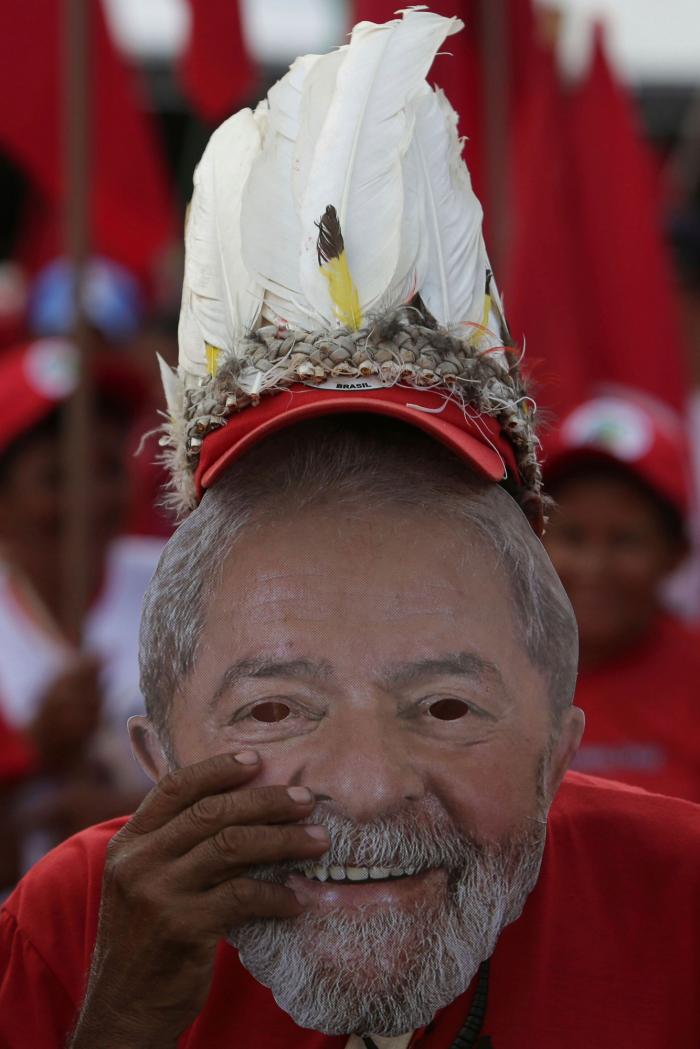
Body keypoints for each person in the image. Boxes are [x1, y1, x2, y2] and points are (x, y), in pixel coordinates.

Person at [1, 11, 699, 1048]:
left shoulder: (680, 900)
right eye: (276, 707)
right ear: (157, 751)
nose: (365, 784)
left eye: (448, 704)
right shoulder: (72, 928)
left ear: (559, 743)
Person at [0, 338, 162, 876]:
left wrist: (130, 817)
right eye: (56, 478)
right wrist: (33, 752)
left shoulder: (182, 582)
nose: (88, 499)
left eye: (105, 469)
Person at [543, 391, 700, 801]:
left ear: (675, 553)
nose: (595, 568)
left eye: (625, 540)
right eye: (572, 536)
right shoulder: (486, 671)